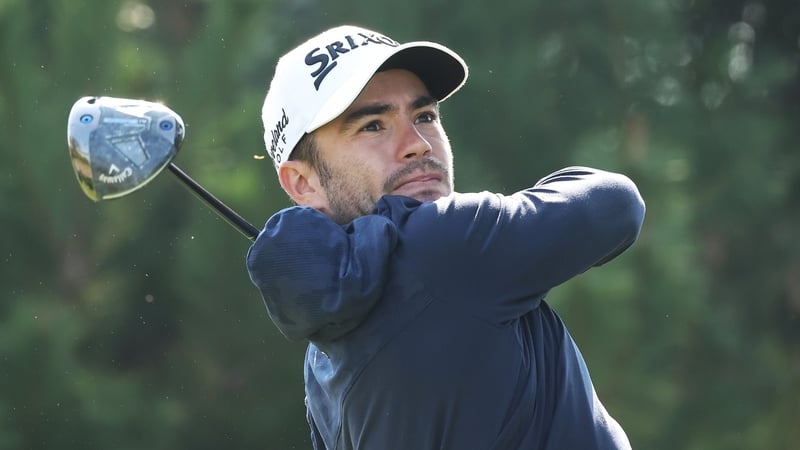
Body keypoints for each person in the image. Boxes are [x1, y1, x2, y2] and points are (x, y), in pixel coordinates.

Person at [247, 24, 645, 450]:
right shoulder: (442, 243)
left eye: (425, 117)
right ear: (302, 183)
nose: (417, 144)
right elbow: (615, 203)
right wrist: (397, 224)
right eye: (373, 127)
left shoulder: (320, 364)